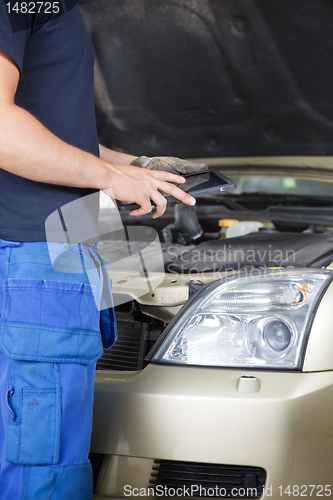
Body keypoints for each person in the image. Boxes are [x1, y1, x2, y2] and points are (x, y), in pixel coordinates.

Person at [0, 1, 206, 498]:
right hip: (38, 257)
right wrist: (109, 177)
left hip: (45, 254)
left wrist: (131, 165)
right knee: (42, 469)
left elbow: (50, 133)